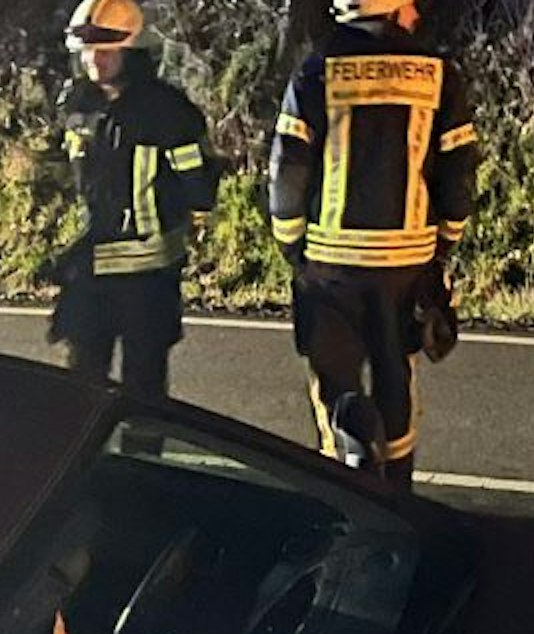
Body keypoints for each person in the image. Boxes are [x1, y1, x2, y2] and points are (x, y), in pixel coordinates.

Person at [268, 0, 479, 489]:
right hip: (406, 264)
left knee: (335, 384)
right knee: (394, 377)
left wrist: (291, 245)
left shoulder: (316, 73)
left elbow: (287, 171)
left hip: (330, 265)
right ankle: (398, 489)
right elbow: (458, 173)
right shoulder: (439, 75)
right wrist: (445, 242)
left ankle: (346, 486)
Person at [46, 0, 217, 446]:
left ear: (131, 49)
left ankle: (143, 480)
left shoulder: (167, 112)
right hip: (89, 274)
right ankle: (78, 479)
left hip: (147, 278)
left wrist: (184, 226)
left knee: (144, 395)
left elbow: (198, 184)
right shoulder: (77, 105)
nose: (94, 60)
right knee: (80, 388)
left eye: (105, 50)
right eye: (87, 51)